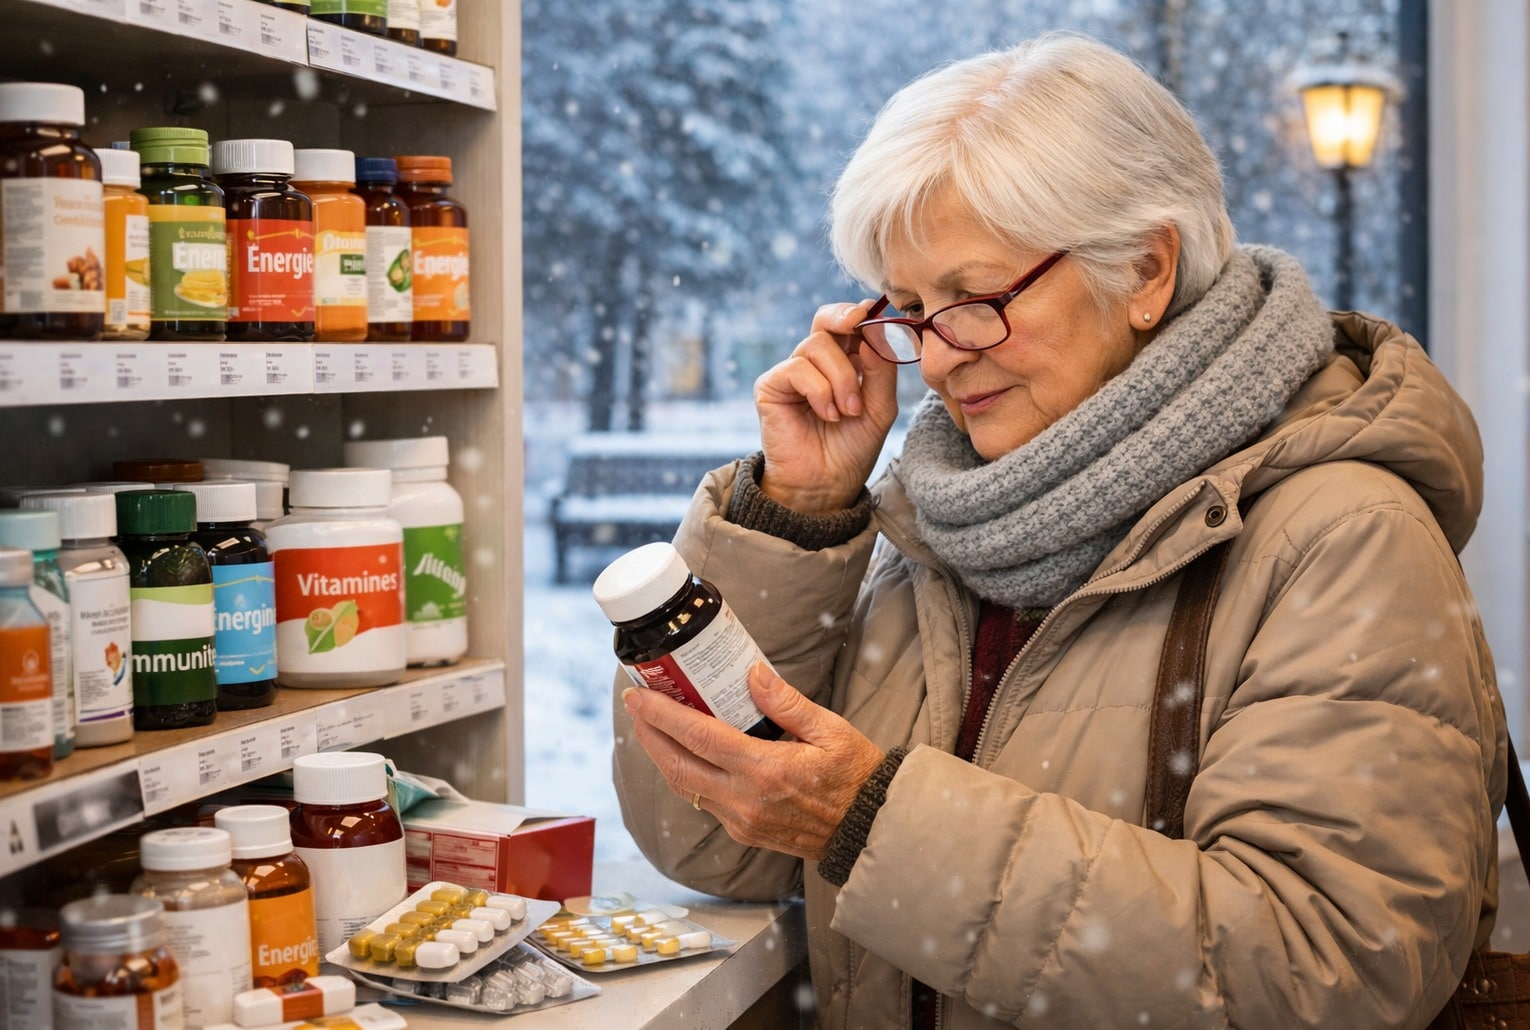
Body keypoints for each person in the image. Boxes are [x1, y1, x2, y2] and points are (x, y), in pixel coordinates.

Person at [612, 30, 1507, 1029]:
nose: (940, 362)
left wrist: (874, 822)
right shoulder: (945, 519)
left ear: (1145, 270)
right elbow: (708, 844)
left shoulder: (1345, 539)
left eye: (974, 298)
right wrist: (802, 510)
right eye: (910, 310)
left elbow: (1329, 970)